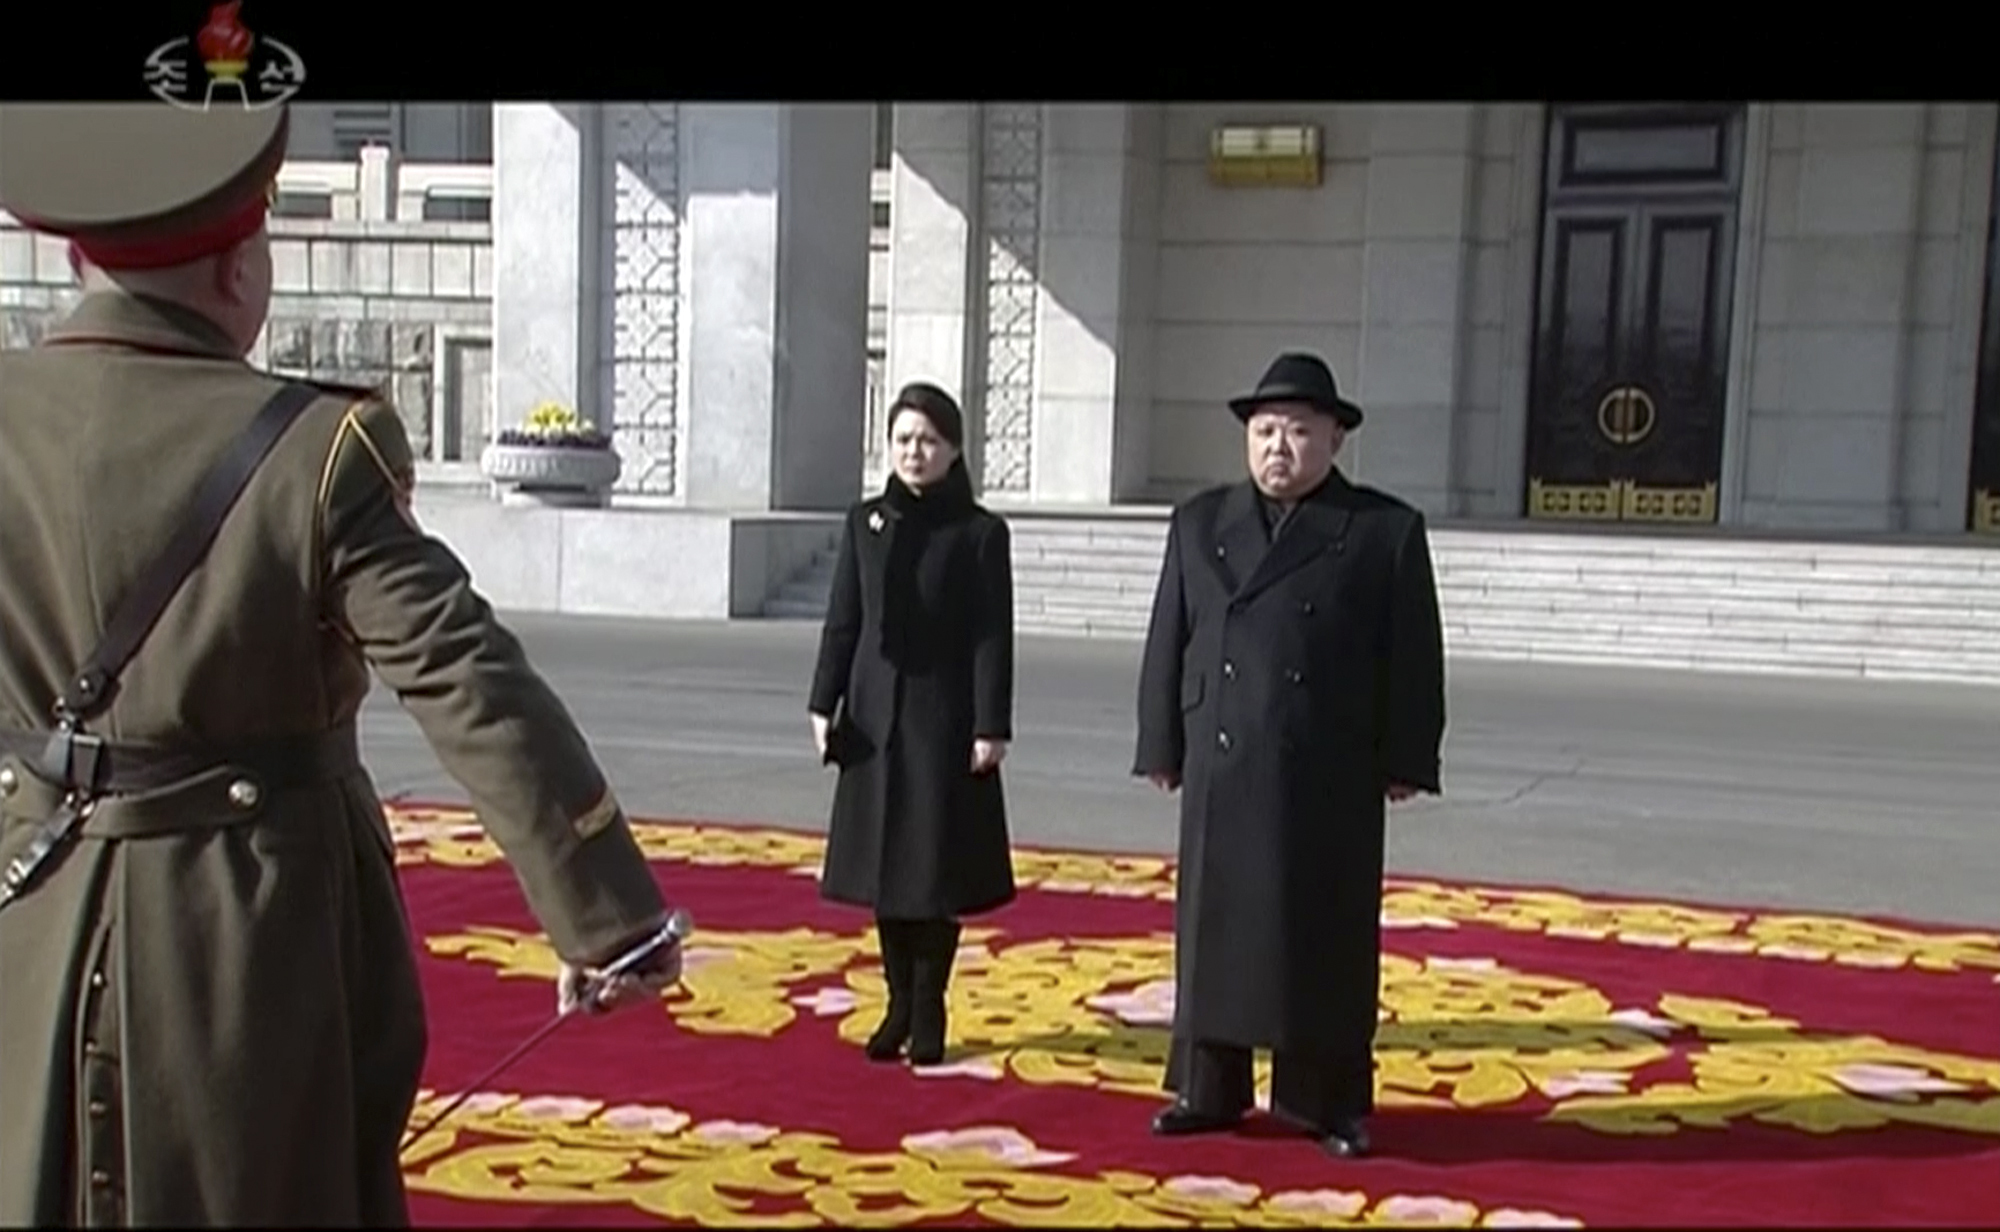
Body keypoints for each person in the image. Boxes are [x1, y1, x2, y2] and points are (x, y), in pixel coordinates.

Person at [0, 102, 683, 1226]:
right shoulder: (315, 447)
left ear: (78, 257)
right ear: (237, 268)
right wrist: (605, 912)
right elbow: (465, 674)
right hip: (247, 931)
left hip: (28, 903)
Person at [1131, 350, 1448, 1159]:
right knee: (1214, 928)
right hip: (1223, 760)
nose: (1279, 447)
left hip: (1327, 767)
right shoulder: (1199, 523)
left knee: (1325, 935)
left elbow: (1412, 656)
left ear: (1335, 439)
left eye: (1299, 432)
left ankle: (1324, 1101)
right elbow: (1171, 639)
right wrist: (1161, 741)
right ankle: (1208, 1087)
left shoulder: (1383, 531)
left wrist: (1409, 755)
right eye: (1265, 431)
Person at [806, 381, 1018, 1068]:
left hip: (943, 721)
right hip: (873, 719)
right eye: (902, 440)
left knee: (932, 872)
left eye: (928, 440)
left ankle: (929, 1006)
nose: (914, 452)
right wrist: (822, 702)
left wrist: (992, 724)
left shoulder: (980, 533)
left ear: (953, 448)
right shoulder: (865, 522)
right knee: (882, 872)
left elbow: (993, 635)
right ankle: (897, 1001)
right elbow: (844, 620)